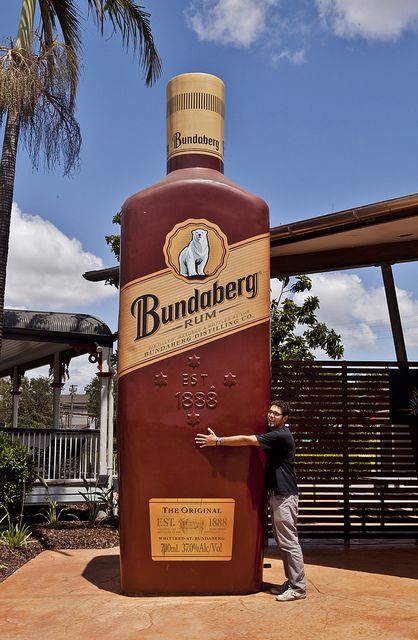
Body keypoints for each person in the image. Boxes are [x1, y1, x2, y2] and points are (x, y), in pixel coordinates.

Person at [195, 399, 306, 602]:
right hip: (278, 494)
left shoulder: (281, 436)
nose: (271, 415)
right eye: (270, 412)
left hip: (285, 495)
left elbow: (247, 440)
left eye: (276, 414)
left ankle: (298, 588)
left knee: (289, 542)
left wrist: (218, 441)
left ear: (285, 419)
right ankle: (292, 582)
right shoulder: (276, 434)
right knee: (284, 542)